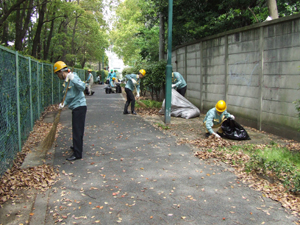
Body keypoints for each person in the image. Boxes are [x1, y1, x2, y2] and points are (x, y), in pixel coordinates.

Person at [53, 61, 87, 161]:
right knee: (76, 129)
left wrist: (73, 79)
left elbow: (82, 87)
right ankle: (76, 146)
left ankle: (78, 153)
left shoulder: (73, 77)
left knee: (78, 130)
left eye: (58, 74)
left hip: (80, 106)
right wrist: (64, 103)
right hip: (75, 107)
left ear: (61, 72)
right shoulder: (67, 80)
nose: (58, 76)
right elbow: (69, 95)